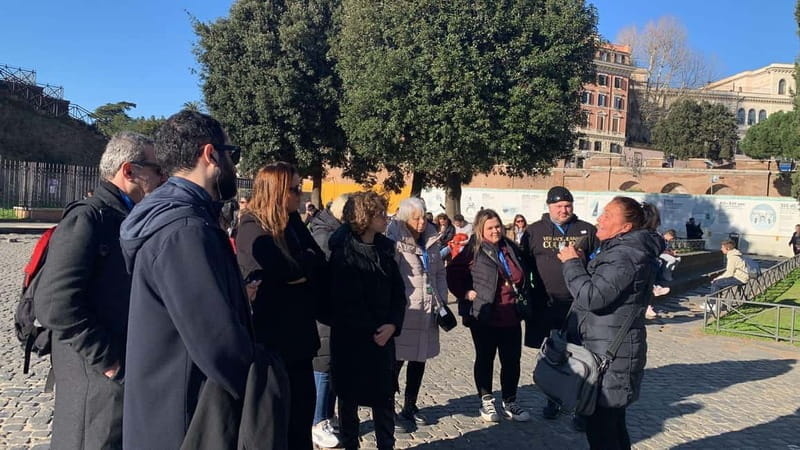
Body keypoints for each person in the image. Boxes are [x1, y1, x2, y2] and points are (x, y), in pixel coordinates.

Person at [119, 110, 256, 449]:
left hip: (167, 410)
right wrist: (265, 380)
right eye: (232, 154)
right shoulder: (185, 231)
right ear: (211, 154)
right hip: (184, 420)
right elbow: (217, 342)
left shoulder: (180, 219)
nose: (234, 166)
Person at [34, 131, 164, 450]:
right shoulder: (89, 218)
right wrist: (109, 361)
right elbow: (54, 303)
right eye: (157, 169)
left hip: (116, 376)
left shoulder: (127, 216)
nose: (163, 176)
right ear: (129, 170)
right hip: (95, 379)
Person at [557, 196, 663, 450]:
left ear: (625, 227)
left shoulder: (625, 255)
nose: (599, 220)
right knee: (611, 424)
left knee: (602, 429)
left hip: (611, 355)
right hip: (609, 348)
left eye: (607, 216)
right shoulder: (625, 250)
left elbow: (593, 297)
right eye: (601, 213)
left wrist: (571, 263)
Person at [236, 162, 326, 450]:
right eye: (295, 188)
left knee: (301, 425)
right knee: (278, 430)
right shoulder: (252, 228)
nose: (301, 194)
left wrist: (301, 269)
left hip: (301, 341)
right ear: (276, 192)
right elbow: (283, 270)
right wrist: (300, 269)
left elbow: (318, 261)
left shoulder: (292, 222)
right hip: (273, 346)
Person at [328, 191, 406, 450]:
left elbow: (398, 292)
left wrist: (393, 324)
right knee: (348, 403)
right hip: (352, 341)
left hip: (383, 339)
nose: (386, 219)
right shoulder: (342, 252)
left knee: (384, 401)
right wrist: (370, 329)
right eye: (381, 214)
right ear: (365, 217)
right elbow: (340, 301)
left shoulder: (385, 250)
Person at [521, 185, 597, 429]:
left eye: (568, 205)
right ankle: (553, 399)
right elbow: (523, 265)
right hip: (546, 303)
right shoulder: (534, 231)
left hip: (579, 303)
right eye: (559, 206)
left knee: (583, 356)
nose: (564, 210)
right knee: (552, 354)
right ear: (549, 207)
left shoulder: (586, 230)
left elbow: (598, 262)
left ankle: (581, 407)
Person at [447, 209, 532, 424]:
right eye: (490, 228)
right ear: (481, 229)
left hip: (511, 312)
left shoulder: (509, 246)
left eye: (498, 226)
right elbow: (453, 273)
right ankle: (486, 399)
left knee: (512, 360)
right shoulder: (473, 249)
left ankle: (510, 400)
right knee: (485, 358)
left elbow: (522, 271)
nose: (495, 231)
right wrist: (465, 292)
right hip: (485, 313)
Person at [385, 198, 447, 432]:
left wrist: (441, 299)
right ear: (405, 218)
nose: (422, 222)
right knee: (396, 360)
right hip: (406, 310)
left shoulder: (431, 238)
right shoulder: (395, 240)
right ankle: (387, 407)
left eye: (424, 217)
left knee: (420, 358)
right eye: (416, 218)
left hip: (428, 309)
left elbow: (439, 272)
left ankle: (410, 405)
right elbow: (391, 276)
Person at [307, 193, 351, 448]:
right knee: (322, 368)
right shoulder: (325, 233)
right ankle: (317, 421)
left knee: (331, 366)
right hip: (325, 310)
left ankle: (326, 415)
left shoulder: (336, 230)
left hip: (336, 310)